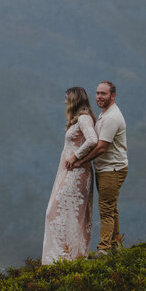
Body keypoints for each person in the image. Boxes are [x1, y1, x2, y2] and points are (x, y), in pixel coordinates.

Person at [69, 81, 127, 257]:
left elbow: (101, 147)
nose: (99, 97)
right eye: (98, 93)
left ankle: (103, 249)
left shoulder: (111, 118)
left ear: (113, 96)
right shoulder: (104, 114)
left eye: (104, 94)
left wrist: (80, 159)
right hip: (106, 168)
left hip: (112, 169)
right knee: (112, 207)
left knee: (106, 209)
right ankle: (116, 245)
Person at [41, 87, 98, 264]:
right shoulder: (79, 119)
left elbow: (93, 140)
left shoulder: (84, 118)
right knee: (65, 213)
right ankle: (66, 256)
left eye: (67, 99)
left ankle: (63, 256)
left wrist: (76, 156)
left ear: (75, 100)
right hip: (71, 170)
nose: (65, 102)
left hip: (77, 172)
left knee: (55, 212)